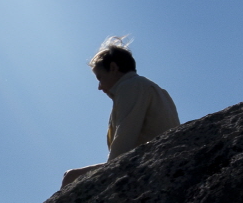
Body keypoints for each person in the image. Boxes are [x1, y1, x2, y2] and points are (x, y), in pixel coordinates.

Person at [60, 37, 180, 189]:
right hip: (157, 156)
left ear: (113, 68)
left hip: (148, 161)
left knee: (71, 177)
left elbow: (125, 136)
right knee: (71, 176)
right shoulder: (150, 87)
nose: (99, 86)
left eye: (100, 77)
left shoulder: (130, 86)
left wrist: (109, 174)